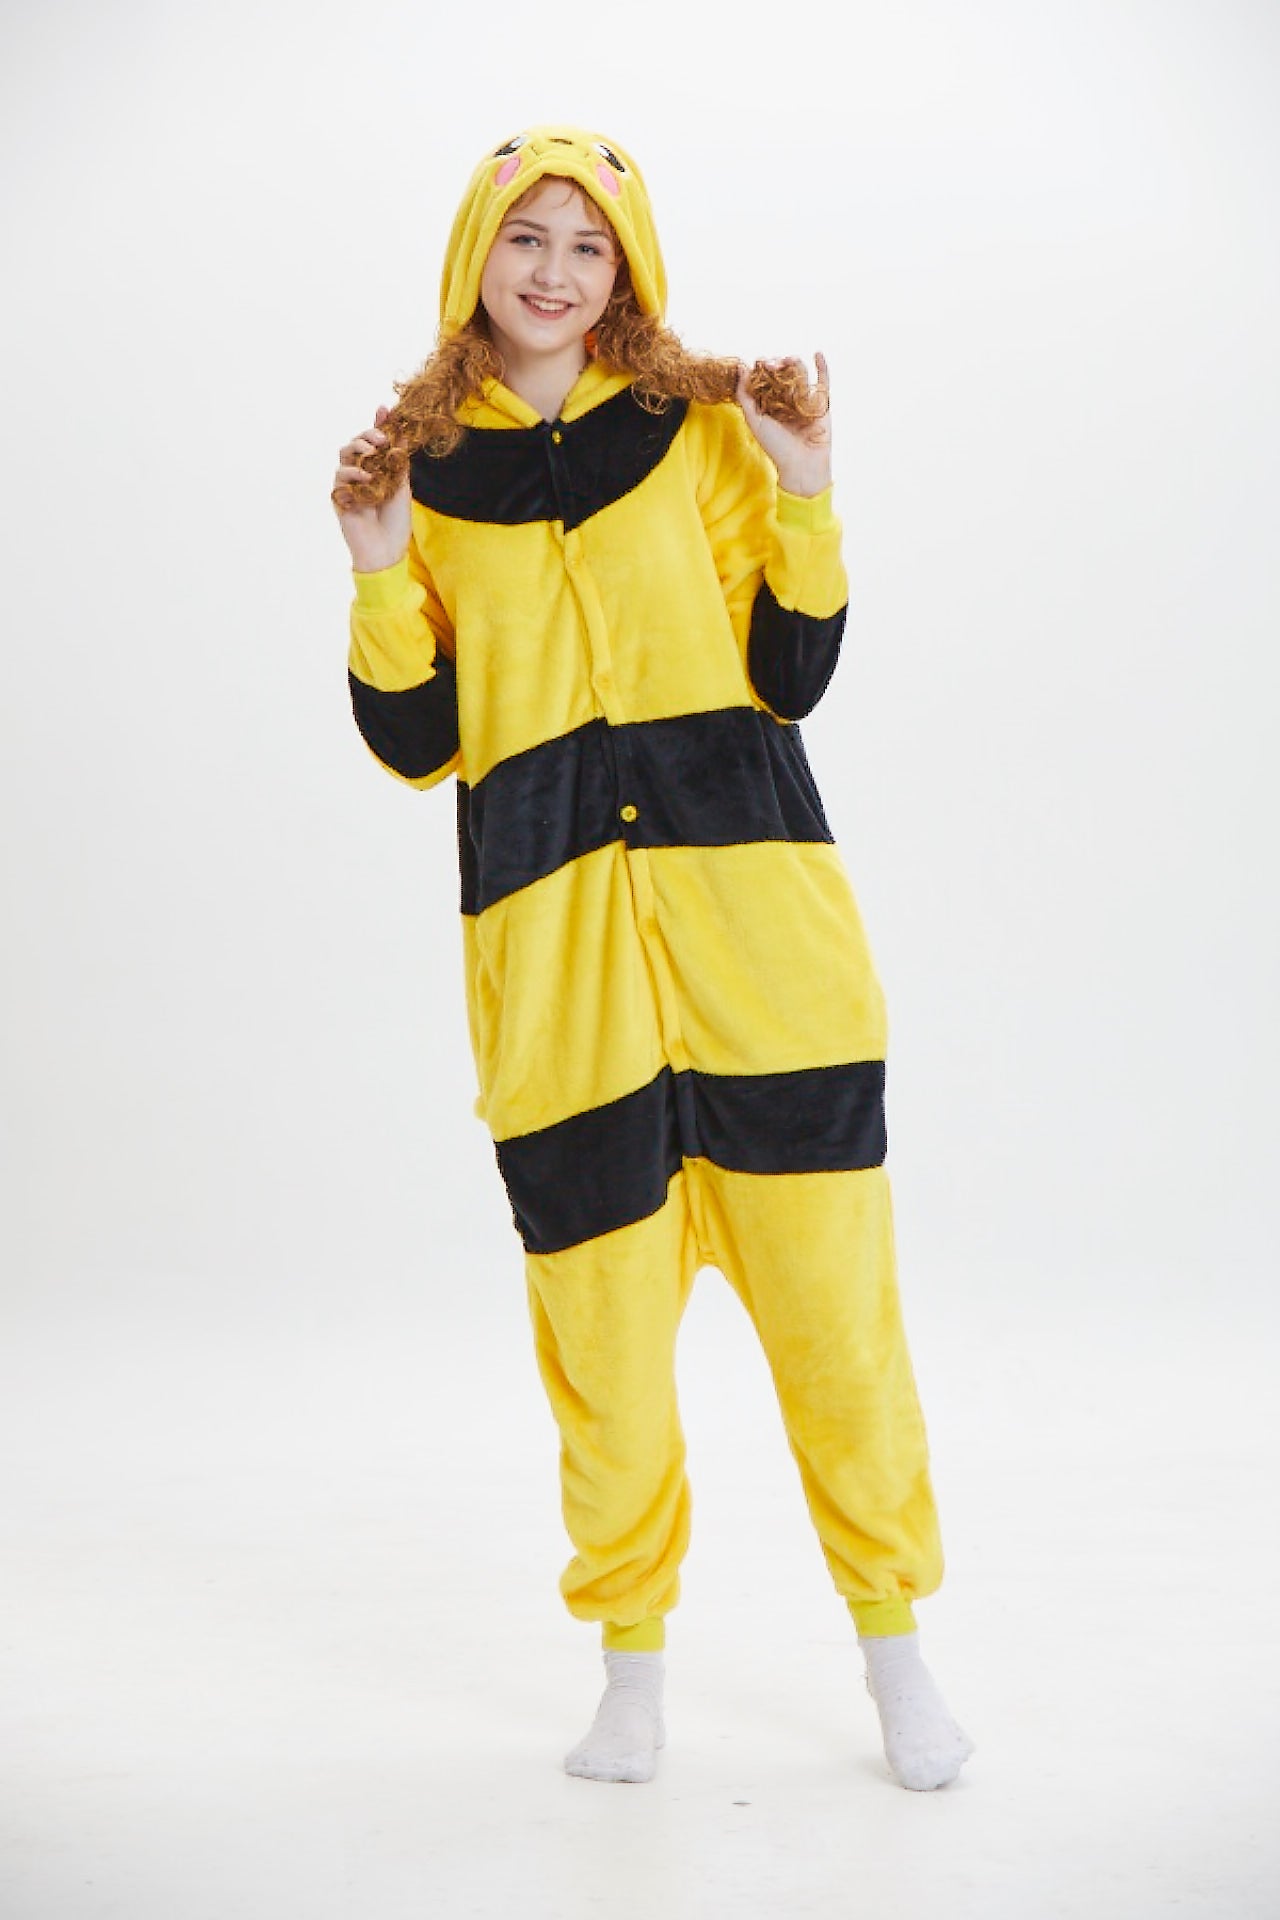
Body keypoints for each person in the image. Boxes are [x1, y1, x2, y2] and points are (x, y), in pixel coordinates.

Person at [331, 124, 974, 1792]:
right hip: (564, 997)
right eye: (524, 237)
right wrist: (384, 575)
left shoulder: (698, 433)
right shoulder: (424, 477)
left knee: (840, 1338)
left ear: (628, 268)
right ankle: (631, 1671)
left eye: (586, 244)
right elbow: (414, 745)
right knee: (604, 1364)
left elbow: (792, 671)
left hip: (767, 971)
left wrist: (806, 488)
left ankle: (895, 1650)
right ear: (474, 254)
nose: (553, 271)